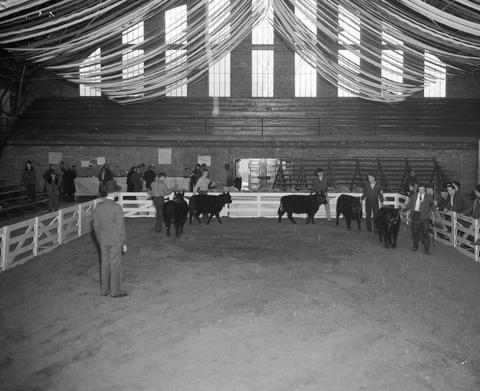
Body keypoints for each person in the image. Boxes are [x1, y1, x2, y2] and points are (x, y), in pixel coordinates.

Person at [93, 180, 128, 298]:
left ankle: (104, 289)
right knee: (115, 264)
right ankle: (115, 291)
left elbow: (96, 226)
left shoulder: (98, 207)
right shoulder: (117, 208)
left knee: (105, 264)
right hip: (115, 240)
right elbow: (120, 228)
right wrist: (123, 243)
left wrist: (99, 239)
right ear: (114, 192)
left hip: (103, 239)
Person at [407, 183, 434, 254]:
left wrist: (434, 208)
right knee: (415, 232)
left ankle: (426, 248)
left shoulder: (429, 197)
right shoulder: (414, 195)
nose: (421, 190)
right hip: (415, 215)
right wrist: (405, 206)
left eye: (422, 189)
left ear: (424, 189)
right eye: (419, 189)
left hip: (424, 216)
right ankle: (415, 245)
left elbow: (432, 204)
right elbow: (410, 204)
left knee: (425, 232)